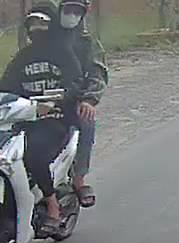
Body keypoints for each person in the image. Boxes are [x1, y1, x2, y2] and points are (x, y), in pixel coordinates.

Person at [0, 5, 83, 236]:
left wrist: (61, 97)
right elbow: (5, 85)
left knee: (33, 152)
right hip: (24, 118)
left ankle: (52, 206)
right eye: (32, 24)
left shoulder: (63, 53)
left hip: (56, 119)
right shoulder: (23, 57)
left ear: (51, 26)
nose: (37, 29)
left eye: (42, 23)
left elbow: (76, 83)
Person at [55, 0, 108, 208]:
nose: (71, 15)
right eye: (68, 10)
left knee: (86, 120)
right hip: (39, 97)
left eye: (76, 11)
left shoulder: (87, 43)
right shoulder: (47, 37)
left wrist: (89, 99)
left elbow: (97, 73)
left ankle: (79, 179)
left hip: (73, 99)